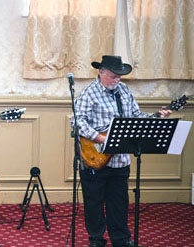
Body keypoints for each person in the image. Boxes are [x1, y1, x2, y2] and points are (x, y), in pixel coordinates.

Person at [74, 55, 172, 247]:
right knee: (93, 202)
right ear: (101, 73)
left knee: (119, 202)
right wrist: (101, 138)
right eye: (113, 76)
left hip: (120, 159)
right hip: (95, 156)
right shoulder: (89, 93)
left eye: (119, 76)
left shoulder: (124, 91)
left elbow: (135, 116)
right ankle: (96, 239)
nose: (117, 80)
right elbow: (77, 122)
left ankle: (121, 239)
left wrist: (157, 117)